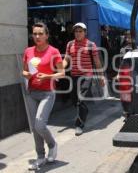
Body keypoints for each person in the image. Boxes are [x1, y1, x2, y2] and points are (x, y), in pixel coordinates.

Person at [22, 22, 65, 170]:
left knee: (40, 124)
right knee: (35, 128)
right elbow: (25, 71)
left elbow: (62, 73)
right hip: (32, 93)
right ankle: (40, 157)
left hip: (47, 93)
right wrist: (25, 74)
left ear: (47, 35)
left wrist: (47, 76)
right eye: (35, 34)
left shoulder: (53, 51)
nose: (37, 36)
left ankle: (52, 145)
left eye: (41, 33)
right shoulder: (28, 51)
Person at [63, 22, 105, 136]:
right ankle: (84, 110)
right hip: (74, 75)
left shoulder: (91, 45)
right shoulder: (70, 44)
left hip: (87, 76)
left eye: (80, 31)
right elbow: (66, 58)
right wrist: (61, 67)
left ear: (85, 32)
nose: (78, 33)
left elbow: (97, 62)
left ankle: (79, 124)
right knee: (74, 99)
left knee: (80, 99)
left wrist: (101, 76)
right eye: (76, 31)